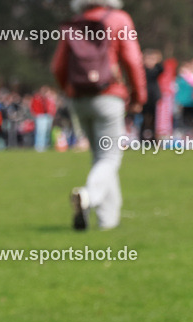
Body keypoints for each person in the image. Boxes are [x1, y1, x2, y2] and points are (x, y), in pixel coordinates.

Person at [52, 0, 146, 231]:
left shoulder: (74, 23)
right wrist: (138, 96)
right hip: (109, 95)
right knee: (110, 157)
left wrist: (70, 91)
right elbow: (133, 60)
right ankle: (88, 197)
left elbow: (58, 66)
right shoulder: (118, 19)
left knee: (100, 157)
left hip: (79, 99)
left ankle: (108, 220)